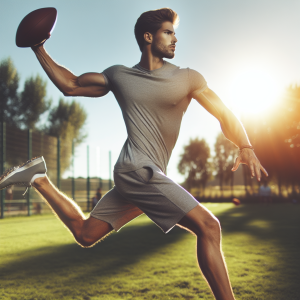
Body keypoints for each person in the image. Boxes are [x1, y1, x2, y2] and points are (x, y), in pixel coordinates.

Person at [0, 8, 268, 300]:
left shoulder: (188, 78)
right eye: (168, 32)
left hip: (144, 176)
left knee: (86, 234)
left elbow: (224, 114)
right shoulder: (120, 75)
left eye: (175, 33)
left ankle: (39, 178)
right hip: (138, 170)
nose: (175, 39)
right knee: (210, 227)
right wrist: (39, 47)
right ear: (148, 37)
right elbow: (72, 84)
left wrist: (245, 145)